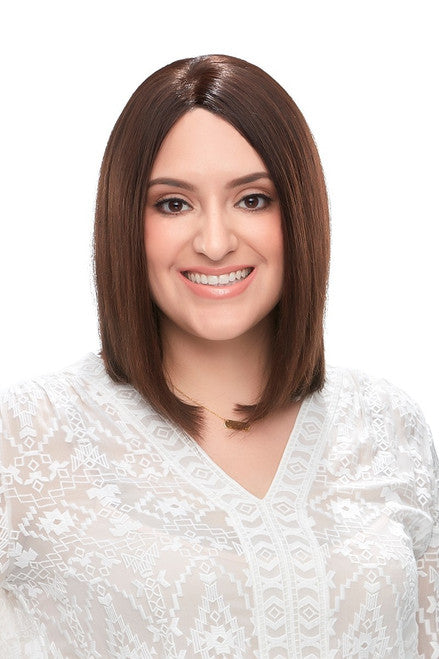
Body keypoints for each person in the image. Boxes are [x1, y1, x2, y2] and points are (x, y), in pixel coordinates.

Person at [0, 54, 437, 658]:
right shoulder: (25, 435)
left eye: (252, 200)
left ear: (300, 213)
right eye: (173, 204)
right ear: (126, 222)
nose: (213, 243)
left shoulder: (387, 425)